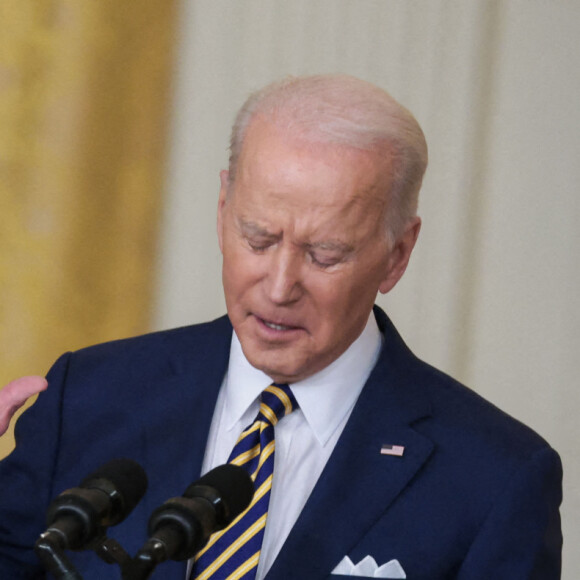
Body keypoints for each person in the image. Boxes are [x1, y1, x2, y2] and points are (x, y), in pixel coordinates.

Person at [0, 75, 562, 579]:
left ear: (397, 255)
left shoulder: (495, 478)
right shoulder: (89, 398)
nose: (278, 286)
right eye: (258, 239)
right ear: (222, 210)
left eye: (325, 254)